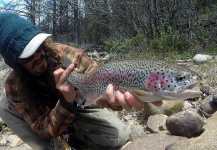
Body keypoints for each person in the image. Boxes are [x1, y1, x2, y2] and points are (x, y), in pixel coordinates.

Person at [0, 12, 147, 150]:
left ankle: (77, 137)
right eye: (28, 55)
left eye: (38, 48)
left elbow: (103, 89)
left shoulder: (67, 55)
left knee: (120, 136)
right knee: (4, 106)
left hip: (78, 106)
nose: (38, 56)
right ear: (16, 63)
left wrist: (114, 100)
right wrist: (65, 102)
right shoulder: (14, 86)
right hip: (46, 115)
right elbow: (44, 129)